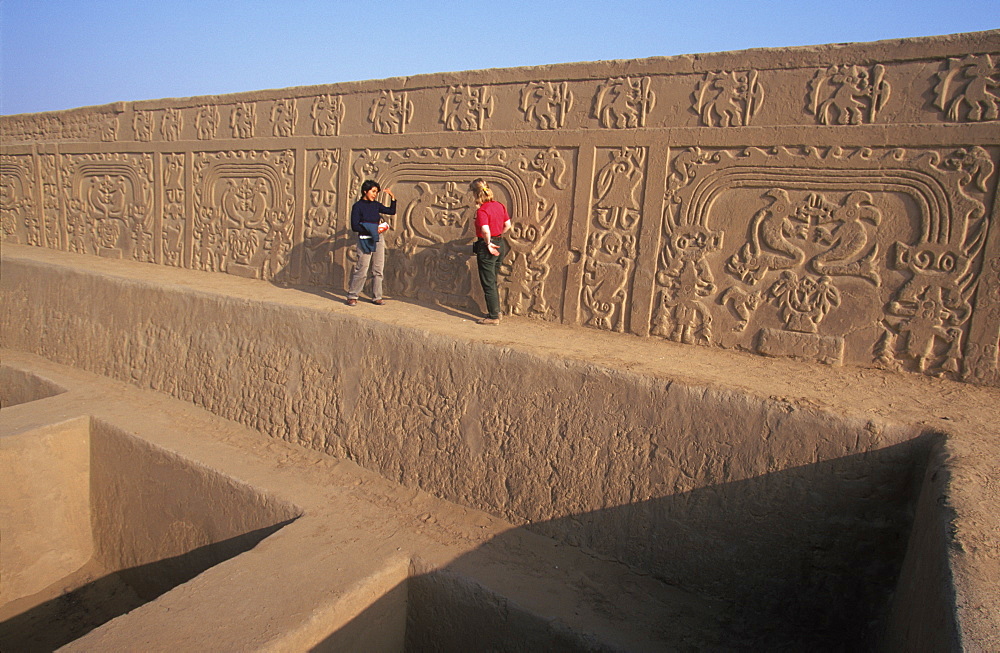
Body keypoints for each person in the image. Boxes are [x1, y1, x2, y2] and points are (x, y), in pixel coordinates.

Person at [347, 180, 395, 306]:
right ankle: (353, 295)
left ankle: (377, 297)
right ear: (365, 191)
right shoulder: (357, 206)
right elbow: (355, 226)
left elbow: (391, 211)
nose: (375, 194)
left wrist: (392, 197)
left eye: (376, 192)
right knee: (362, 268)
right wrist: (371, 228)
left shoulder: (376, 205)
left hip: (377, 238)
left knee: (378, 269)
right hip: (364, 238)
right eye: (373, 191)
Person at [471, 178, 511, 325]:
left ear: (476, 194)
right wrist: (498, 235)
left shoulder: (482, 210)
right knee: (492, 279)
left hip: (488, 246)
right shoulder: (499, 205)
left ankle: (493, 315)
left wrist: (488, 243)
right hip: (500, 242)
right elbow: (508, 225)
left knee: (488, 282)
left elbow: (485, 230)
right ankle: (496, 311)